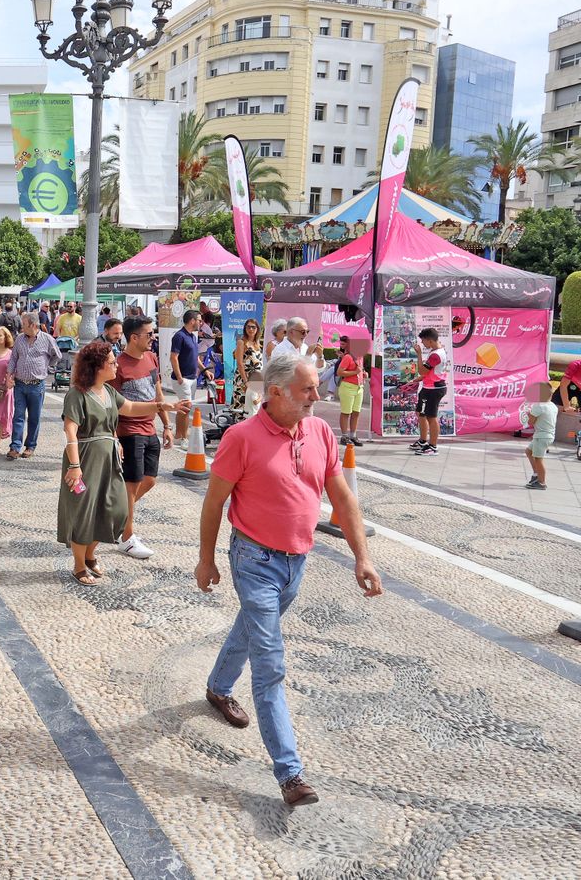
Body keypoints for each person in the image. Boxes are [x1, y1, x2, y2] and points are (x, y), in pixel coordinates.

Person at [196, 353, 381, 808]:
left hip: (298, 560)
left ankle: (218, 687)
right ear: (275, 391)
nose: (318, 397)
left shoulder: (319, 431)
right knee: (270, 662)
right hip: (254, 559)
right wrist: (206, 560)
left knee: (253, 631)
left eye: (317, 388)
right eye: (307, 390)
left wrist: (363, 557)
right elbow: (213, 503)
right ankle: (290, 773)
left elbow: (342, 496)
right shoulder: (241, 438)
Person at [59, 339, 187, 585]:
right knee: (84, 511)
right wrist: (75, 466)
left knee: (115, 509)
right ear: (97, 367)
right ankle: (80, 564)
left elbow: (129, 407)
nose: (116, 365)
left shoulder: (108, 392)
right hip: (85, 459)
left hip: (108, 458)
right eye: (111, 362)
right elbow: (70, 430)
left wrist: (163, 406)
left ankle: (89, 553)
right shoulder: (77, 394)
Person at [111, 316, 172, 560]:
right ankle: (126, 537)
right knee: (132, 484)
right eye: (149, 334)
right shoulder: (118, 365)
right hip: (130, 431)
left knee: (149, 480)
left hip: (150, 430)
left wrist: (166, 424)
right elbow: (112, 405)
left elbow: (157, 391)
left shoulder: (151, 357)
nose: (153, 338)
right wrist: (114, 437)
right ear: (134, 337)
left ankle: (115, 516)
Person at [6, 313, 61, 459]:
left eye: (23, 324)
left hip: (37, 386)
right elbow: (13, 358)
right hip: (20, 384)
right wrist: (8, 376)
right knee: (17, 416)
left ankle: (30, 446)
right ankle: (15, 447)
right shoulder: (19, 339)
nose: (21, 327)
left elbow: (57, 355)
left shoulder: (47, 339)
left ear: (32, 325)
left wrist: (47, 366)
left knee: (34, 417)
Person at [169, 311, 206, 448]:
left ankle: (178, 435)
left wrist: (204, 370)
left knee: (184, 407)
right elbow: (174, 357)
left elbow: (195, 358)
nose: (200, 323)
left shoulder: (192, 337)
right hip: (183, 378)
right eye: (199, 320)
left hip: (192, 378)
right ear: (192, 320)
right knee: (186, 407)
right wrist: (179, 377)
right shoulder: (179, 336)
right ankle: (182, 437)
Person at [412, 327, 447, 455]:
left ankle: (433, 446)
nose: (422, 344)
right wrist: (420, 379)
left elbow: (422, 370)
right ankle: (423, 441)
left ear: (429, 340)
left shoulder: (436, 355)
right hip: (428, 387)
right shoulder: (435, 351)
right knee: (421, 413)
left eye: (423, 341)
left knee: (431, 417)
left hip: (434, 389)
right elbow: (429, 372)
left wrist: (419, 354)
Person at [522, 382, 558, 490]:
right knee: (529, 452)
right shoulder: (552, 406)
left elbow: (531, 422)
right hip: (548, 435)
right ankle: (536, 474)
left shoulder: (538, 406)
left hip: (541, 436)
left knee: (538, 459)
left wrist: (529, 415)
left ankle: (541, 482)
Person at [336, 338, 366, 446]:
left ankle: (353, 435)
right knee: (346, 412)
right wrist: (355, 372)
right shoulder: (348, 357)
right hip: (348, 387)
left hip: (359, 388)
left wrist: (364, 374)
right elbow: (340, 372)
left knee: (356, 412)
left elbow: (360, 370)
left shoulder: (360, 357)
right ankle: (344, 436)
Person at [233, 318, 263, 417]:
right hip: (243, 380)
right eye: (248, 327)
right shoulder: (241, 342)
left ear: (257, 329)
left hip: (256, 381)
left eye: (253, 327)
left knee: (254, 410)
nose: (251, 329)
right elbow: (240, 363)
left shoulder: (257, 344)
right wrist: (246, 382)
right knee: (242, 409)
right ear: (245, 328)